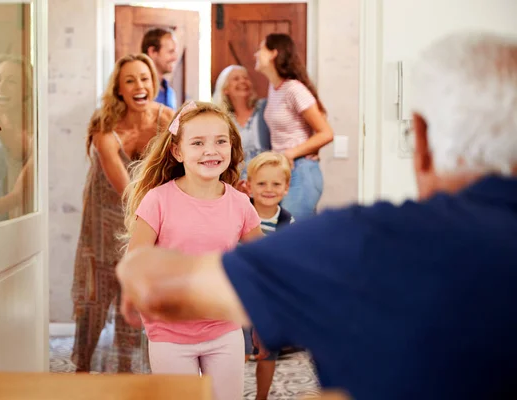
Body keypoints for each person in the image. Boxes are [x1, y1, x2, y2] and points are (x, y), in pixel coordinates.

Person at [116, 31, 517, 400]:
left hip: (221, 333)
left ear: (421, 139)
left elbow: (156, 284)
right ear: (179, 151)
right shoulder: (167, 199)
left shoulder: (351, 241)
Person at [120, 101, 263, 400]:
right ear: (178, 151)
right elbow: (136, 259)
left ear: (231, 146)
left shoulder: (239, 204)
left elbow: (261, 265)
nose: (211, 150)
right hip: (169, 332)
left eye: (220, 141)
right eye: (198, 142)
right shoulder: (158, 201)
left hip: (224, 328)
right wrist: (132, 293)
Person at [70, 53, 173, 373]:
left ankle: (130, 372)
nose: (139, 86)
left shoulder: (169, 120)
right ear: (119, 89)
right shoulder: (105, 127)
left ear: (154, 83)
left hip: (146, 218)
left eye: (144, 78)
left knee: (136, 290)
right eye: (130, 80)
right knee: (95, 296)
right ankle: (83, 367)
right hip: (105, 216)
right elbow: (125, 188)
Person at [255, 33, 333, 220]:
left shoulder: (294, 89)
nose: (256, 54)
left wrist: (291, 152)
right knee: (288, 234)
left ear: (273, 53)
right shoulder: (275, 88)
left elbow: (326, 133)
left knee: (292, 236)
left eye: (261, 49)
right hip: (285, 172)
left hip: (301, 171)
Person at [243, 152, 295, 400]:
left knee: (268, 352)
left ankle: (261, 397)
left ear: (286, 188)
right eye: (261, 183)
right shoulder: (241, 215)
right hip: (240, 296)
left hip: (269, 298)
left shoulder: (287, 222)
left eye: (276, 184)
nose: (268, 189)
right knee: (238, 349)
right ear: (249, 186)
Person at [0, 53, 35, 225]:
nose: (0, 87)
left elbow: (18, 196)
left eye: (11, 82)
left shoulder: (34, 132)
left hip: (14, 221)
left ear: (26, 89)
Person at [212, 65, 270, 183]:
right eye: (236, 79)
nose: (242, 81)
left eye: (245, 78)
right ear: (225, 89)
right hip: (236, 183)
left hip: (266, 179)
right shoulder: (222, 120)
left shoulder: (264, 109)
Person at [141, 28, 178, 109]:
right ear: (152, 52)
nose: (175, 57)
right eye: (171, 51)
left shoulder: (170, 93)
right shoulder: (140, 92)